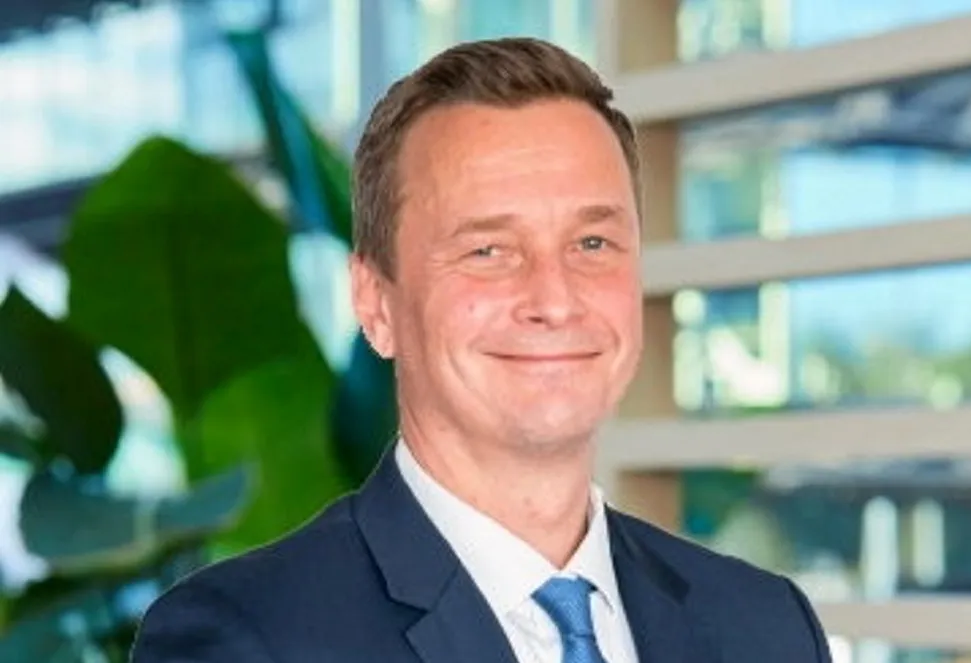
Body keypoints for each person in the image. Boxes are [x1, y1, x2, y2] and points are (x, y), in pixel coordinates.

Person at [131, 37, 832, 663]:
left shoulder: (768, 628)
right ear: (376, 304)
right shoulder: (244, 638)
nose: (554, 299)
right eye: (488, 250)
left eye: (592, 243)